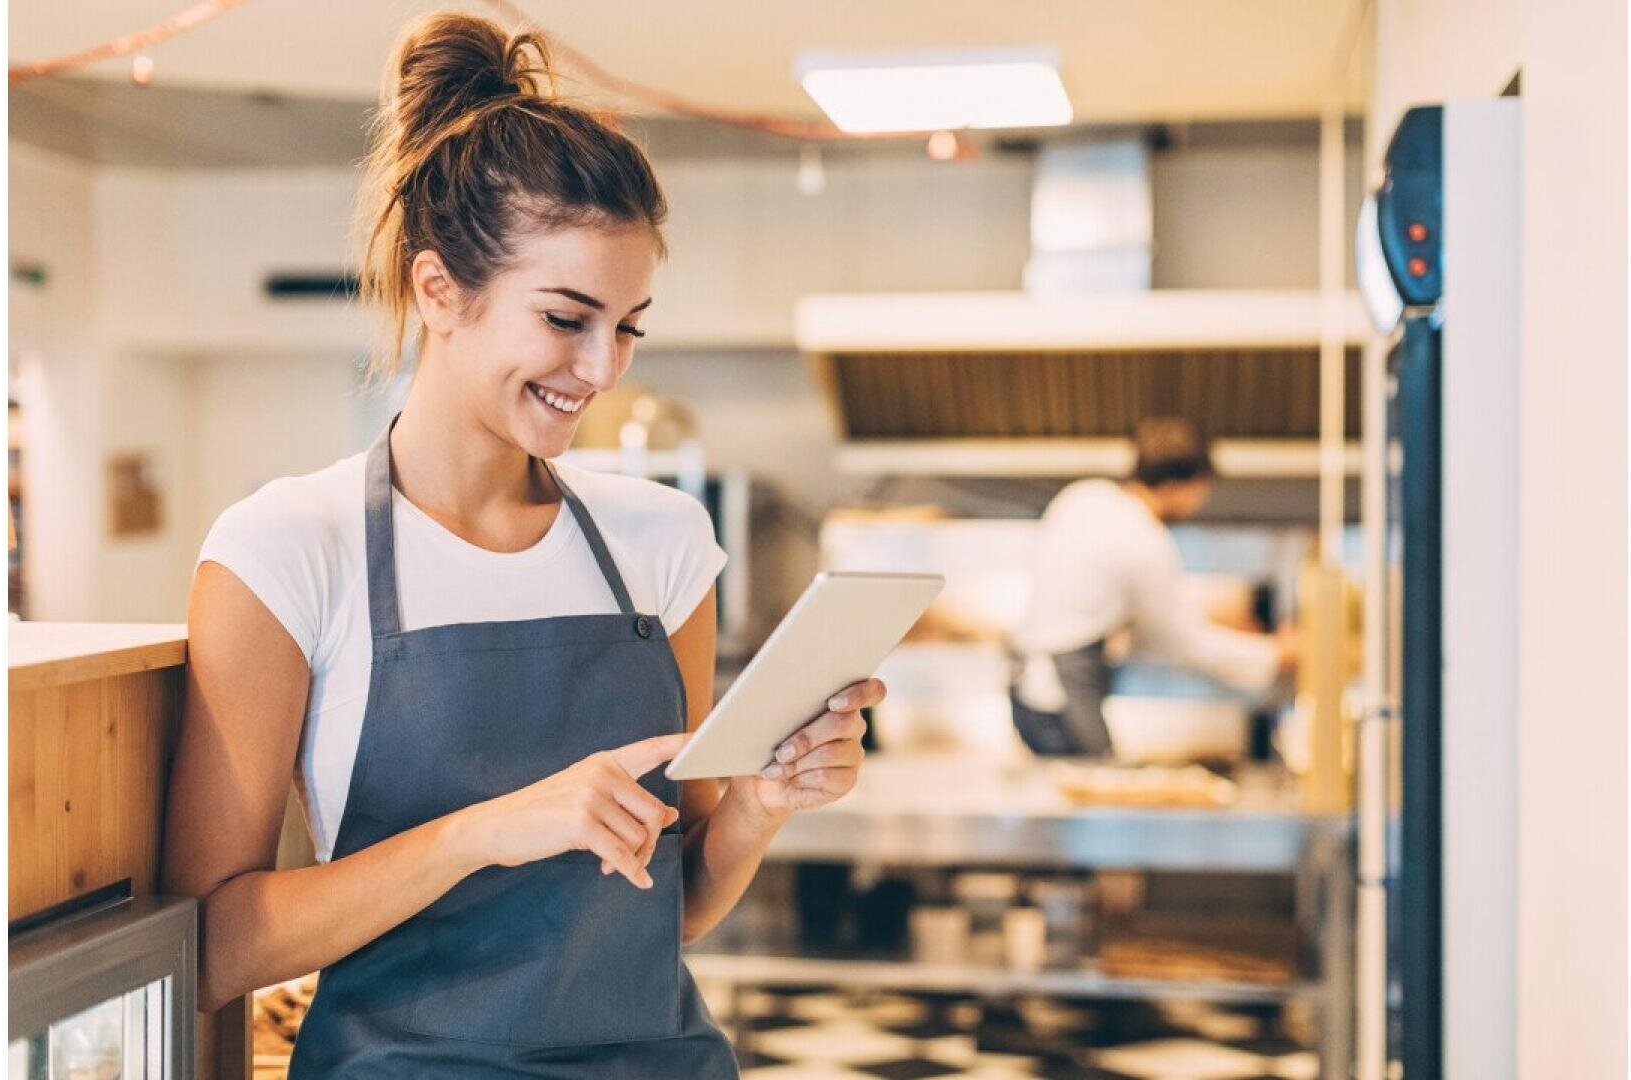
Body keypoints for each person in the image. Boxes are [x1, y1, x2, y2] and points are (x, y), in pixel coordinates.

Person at [160, 15, 882, 1077]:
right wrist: (484, 831)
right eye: (565, 318)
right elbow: (213, 949)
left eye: (629, 324)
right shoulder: (284, 552)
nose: (602, 368)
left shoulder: (663, 543)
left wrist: (762, 806)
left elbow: (668, 911)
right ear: (439, 290)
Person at [1007, 418, 1296, 757]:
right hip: (1064, 693)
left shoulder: (1083, 496)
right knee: (1098, 797)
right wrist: (1275, 654)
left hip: (1023, 686)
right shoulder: (1144, 540)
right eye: (1201, 490)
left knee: (1081, 790)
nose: (1199, 502)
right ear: (1182, 485)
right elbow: (1185, 642)